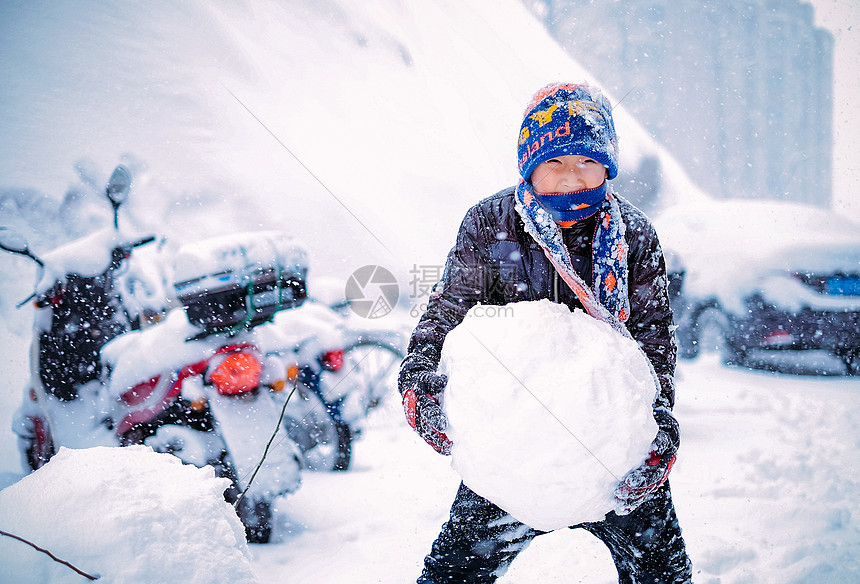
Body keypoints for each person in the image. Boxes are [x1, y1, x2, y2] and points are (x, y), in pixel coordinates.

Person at [398, 82, 693, 584]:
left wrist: (660, 423)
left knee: (661, 575)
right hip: (513, 443)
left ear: (608, 166)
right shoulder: (492, 224)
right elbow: (448, 310)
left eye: (587, 162)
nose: (571, 178)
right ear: (530, 162)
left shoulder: (634, 234)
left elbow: (653, 341)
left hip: (613, 449)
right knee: (453, 574)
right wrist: (419, 381)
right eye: (555, 162)